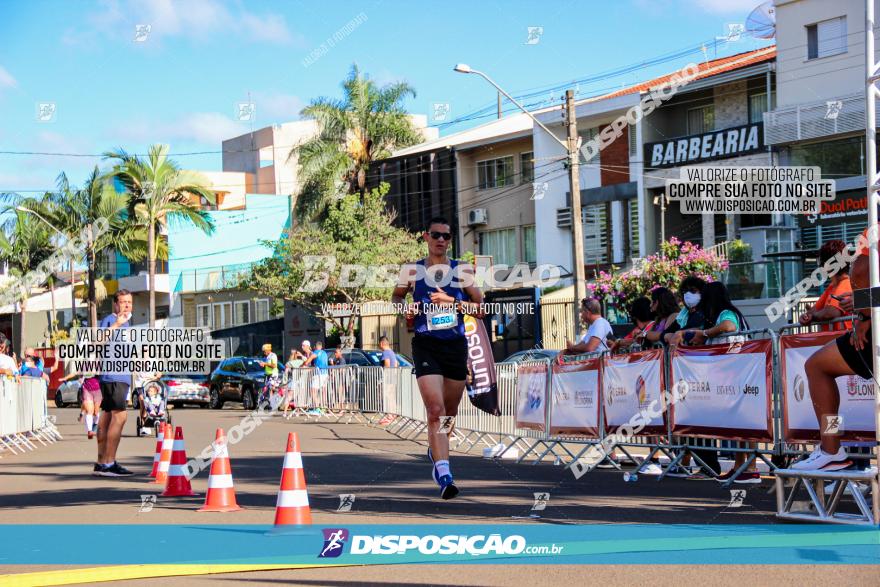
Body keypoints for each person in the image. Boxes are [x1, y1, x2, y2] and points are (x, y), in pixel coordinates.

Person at [391, 216, 484, 499]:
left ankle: (436, 448)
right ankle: (444, 473)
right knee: (435, 410)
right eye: (436, 235)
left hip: (455, 345)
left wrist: (452, 302)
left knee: (449, 413)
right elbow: (396, 298)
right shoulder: (411, 270)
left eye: (446, 236)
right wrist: (405, 309)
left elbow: (481, 308)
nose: (441, 240)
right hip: (426, 344)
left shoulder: (462, 270)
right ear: (426, 237)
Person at [793, 227, 875, 471]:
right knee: (817, 366)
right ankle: (831, 449)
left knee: (816, 367)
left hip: (870, 331)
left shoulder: (873, 229)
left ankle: (831, 448)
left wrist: (863, 309)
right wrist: (864, 316)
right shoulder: (871, 225)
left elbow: (862, 277)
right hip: (867, 330)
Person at [681, 282, 758, 484]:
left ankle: (750, 467)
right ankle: (740, 466)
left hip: (738, 373)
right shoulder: (722, 314)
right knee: (736, 422)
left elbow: (729, 327)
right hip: (733, 374)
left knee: (743, 421)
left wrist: (705, 334)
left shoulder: (726, 313)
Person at [94, 289, 135, 477]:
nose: (126, 305)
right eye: (123, 302)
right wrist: (116, 324)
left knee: (108, 417)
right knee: (120, 417)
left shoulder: (126, 325)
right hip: (114, 375)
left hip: (120, 376)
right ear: (115, 304)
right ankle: (109, 463)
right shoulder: (111, 320)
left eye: (129, 302)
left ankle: (102, 462)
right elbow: (98, 342)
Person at [799, 240, 853, 332]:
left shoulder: (846, 284)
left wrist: (812, 316)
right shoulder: (832, 286)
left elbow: (831, 312)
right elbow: (813, 311)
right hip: (833, 341)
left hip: (844, 341)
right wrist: (805, 316)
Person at [282, 349, 304, 418]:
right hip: (300, 381)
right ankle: (297, 412)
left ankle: (285, 412)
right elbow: (306, 360)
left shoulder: (289, 363)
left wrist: (284, 382)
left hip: (293, 381)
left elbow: (285, 373)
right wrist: (302, 355)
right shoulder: (301, 362)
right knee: (298, 397)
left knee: (289, 396)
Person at [257, 343, 280, 407]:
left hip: (273, 374)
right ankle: (271, 403)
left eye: (264, 351)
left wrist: (265, 363)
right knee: (268, 389)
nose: (264, 353)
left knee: (270, 388)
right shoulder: (268, 356)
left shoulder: (273, 355)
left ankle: (273, 403)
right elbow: (268, 366)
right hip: (268, 374)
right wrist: (263, 365)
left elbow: (274, 365)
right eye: (263, 351)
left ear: (268, 350)